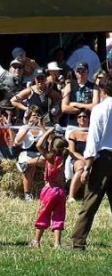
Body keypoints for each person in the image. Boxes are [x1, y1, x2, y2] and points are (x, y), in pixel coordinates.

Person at [69, 75, 112, 250]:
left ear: (102, 90)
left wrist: (87, 166)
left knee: (90, 201)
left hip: (103, 159)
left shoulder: (100, 109)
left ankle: (78, 241)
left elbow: (93, 139)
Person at [29, 127, 69, 248]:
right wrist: (47, 130)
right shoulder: (63, 157)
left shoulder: (50, 158)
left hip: (49, 190)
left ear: (52, 147)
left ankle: (36, 241)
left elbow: (39, 144)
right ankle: (57, 243)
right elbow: (53, 143)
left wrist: (46, 132)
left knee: (44, 214)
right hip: (61, 192)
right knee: (59, 216)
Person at [14, 105, 46, 201]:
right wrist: (29, 127)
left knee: (47, 160)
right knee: (30, 169)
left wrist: (41, 126)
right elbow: (17, 141)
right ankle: (27, 194)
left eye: (37, 115)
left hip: (39, 154)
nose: (35, 117)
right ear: (29, 116)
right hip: (26, 153)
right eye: (33, 115)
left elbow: (49, 140)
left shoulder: (43, 128)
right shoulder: (24, 127)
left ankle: (24, 164)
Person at [67, 109, 90, 203]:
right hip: (77, 159)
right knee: (80, 167)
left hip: (92, 158)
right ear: (77, 119)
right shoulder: (73, 134)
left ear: (88, 119)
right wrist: (85, 160)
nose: (82, 118)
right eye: (79, 117)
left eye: (84, 116)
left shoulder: (93, 133)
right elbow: (71, 151)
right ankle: (70, 197)